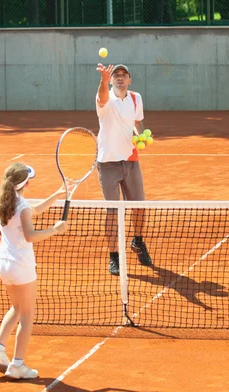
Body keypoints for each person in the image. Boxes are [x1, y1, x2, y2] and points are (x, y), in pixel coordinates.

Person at [0, 163, 69, 380]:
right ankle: (17, 365)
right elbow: (30, 235)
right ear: (27, 183)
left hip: (4, 264)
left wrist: (56, 195)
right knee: (28, 314)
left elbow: (35, 209)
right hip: (21, 266)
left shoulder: (6, 201)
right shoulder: (21, 206)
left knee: (16, 307)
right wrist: (55, 230)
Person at [95, 63, 152, 276]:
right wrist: (102, 79)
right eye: (116, 75)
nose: (120, 77)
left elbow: (138, 121)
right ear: (111, 80)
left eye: (124, 75)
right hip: (108, 162)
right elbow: (101, 97)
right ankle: (114, 256)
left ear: (129, 80)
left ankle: (137, 241)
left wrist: (143, 134)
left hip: (131, 160)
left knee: (139, 207)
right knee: (112, 212)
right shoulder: (105, 100)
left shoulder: (136, 98)